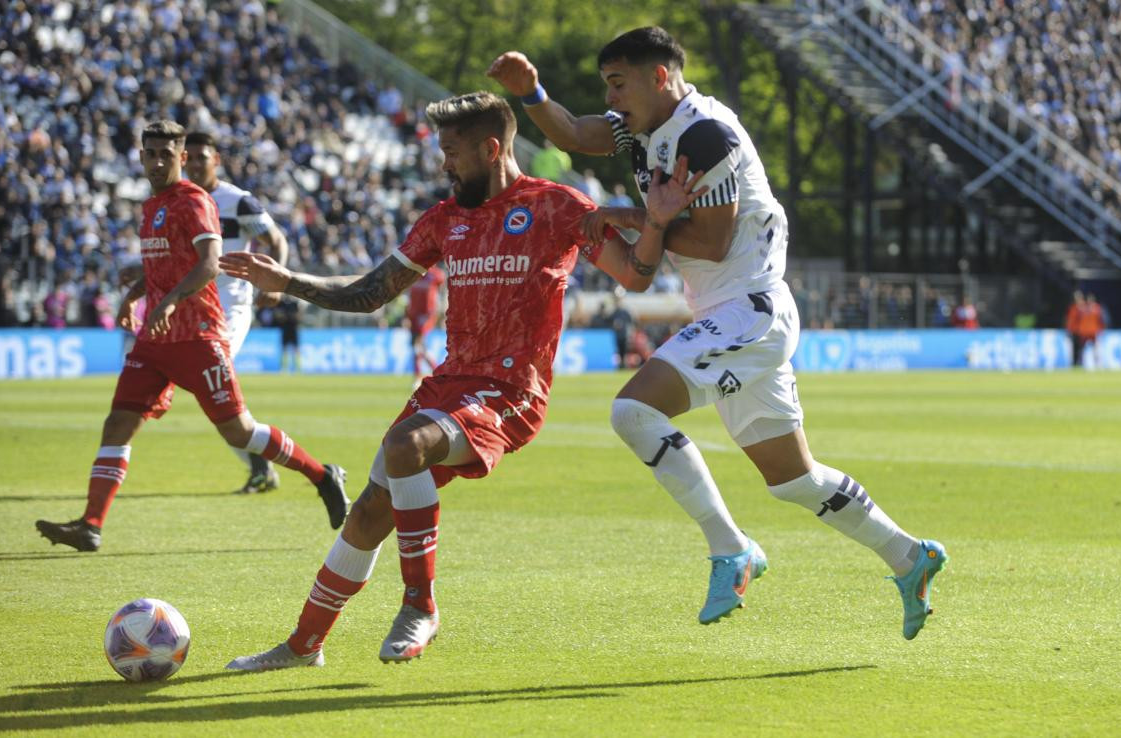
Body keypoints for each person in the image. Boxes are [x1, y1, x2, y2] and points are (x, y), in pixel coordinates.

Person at [489, 27, 947, 639]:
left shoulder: (704, 134)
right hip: (734, 312)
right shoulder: (648, 126)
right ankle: (910, 557)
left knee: (632, 412)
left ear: (659, 77)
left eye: (617, 83)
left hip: (747, 311)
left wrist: (635, 218)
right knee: (795, 481)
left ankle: (732, 550)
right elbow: (575, 133)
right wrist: (532, 93)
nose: (611, 97)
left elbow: (711, 241)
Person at [222, 91, 694, 670]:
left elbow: (635, 275)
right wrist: (289, 279)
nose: (444, 164)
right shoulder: (445, 218)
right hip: (447, 387)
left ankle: (420, 604)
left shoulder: (556, 206)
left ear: (491, 148)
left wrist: (654, 222)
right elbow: (373, 292)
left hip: (509, 393)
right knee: (370, 510)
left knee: (405, 446)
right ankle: (302, 646)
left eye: (451, 152)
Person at [34, 121, 349, 553]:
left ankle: (322, 474)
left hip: (199, 336)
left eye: (168, 153)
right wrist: (134, 295)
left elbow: (208, 264)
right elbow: (164, 267)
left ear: (182, 158)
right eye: (152, 153)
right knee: (118, 423)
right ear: (142, 157)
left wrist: (166, 303)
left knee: (238, 432)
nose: (159, 160)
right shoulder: (151, 206)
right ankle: (91, 524)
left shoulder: (195, 201)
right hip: (155, 340)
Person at [120, 131, 292, 495]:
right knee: (211, 392)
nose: (196, 163)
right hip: (192, 305)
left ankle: (268, 466)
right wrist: (140, 280)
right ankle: (261, 467)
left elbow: (276, 239)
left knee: (213, 386)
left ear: (216, 160)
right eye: (192, 157)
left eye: (203, 157)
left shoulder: (238, 201)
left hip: (229, 305)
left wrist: (275, 282)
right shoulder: (176, 200)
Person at [405, 262, 446, 386]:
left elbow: (442, 292)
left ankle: (421, 376)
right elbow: (408, 294)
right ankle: (437, 373)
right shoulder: (413, 274)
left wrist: (443, 310)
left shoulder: (436, 275)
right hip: (414, 314)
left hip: (427, 314)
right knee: (417, 348)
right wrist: (406, 314)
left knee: (418, 344)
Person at [1065, 290, 1086, 367]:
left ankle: (1080, 362)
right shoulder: (1073, 308)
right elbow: (1070, 320)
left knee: (1081, 348)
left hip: (1081, 331)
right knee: (1074, 348)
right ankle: (1074, 363)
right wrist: (1068, 329)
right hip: (1074, 331)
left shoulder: (1084, 308)